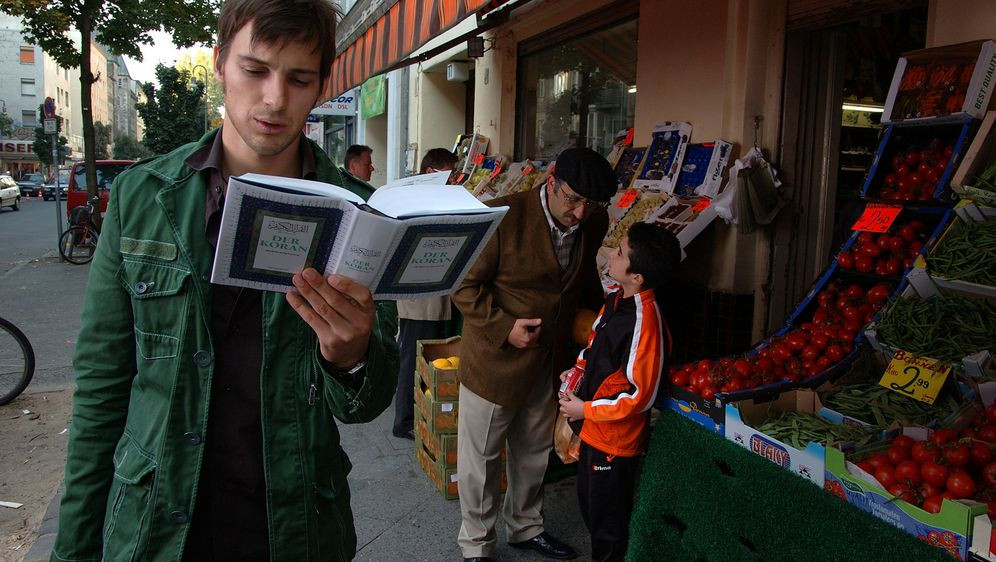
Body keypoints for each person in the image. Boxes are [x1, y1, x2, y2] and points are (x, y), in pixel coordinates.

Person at [51, 1, 399, 560]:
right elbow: (101, 390)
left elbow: (367, 403)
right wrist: (72, 550)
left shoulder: (360, 213)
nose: (274, 99)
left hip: (294, 526)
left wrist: (351, 355)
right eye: (255, 69)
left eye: (298, 78)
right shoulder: (141, 199)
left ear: (321, 86)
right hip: (156, 528)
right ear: (218, 62)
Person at [451, 147, 614, 561]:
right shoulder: (500, 216)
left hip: (551, 357)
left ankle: (525, 527)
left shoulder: (593, 220)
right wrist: (506, 327)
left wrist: (600, 322)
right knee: (481, 459)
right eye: (573, 199)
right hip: (495, 361)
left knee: (534, 450)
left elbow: (583, 277)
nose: (579, 213)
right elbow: (463, 285)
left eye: (590, 204)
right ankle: (477, 544)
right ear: (553, 181)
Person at [558, 222, 679, 562]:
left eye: (621, 252)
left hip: (616, 441)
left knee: (608, 524)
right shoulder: (615, 299)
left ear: (637, 276)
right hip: (594, 431)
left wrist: (586, 410)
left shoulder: (645, 323)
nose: (612, 252)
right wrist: (577, 371)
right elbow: (593, 344)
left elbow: (641, 396)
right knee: (590, 505)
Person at [392, 147, 460, 440]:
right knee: (414, 356)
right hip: (420, 295)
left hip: (429, 292)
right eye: (449, 174)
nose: (454, 180)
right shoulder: (417, 198)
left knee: (423, 356)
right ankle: (404, 420)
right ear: (432, 172)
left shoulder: (431, 196)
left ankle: (417, 413)